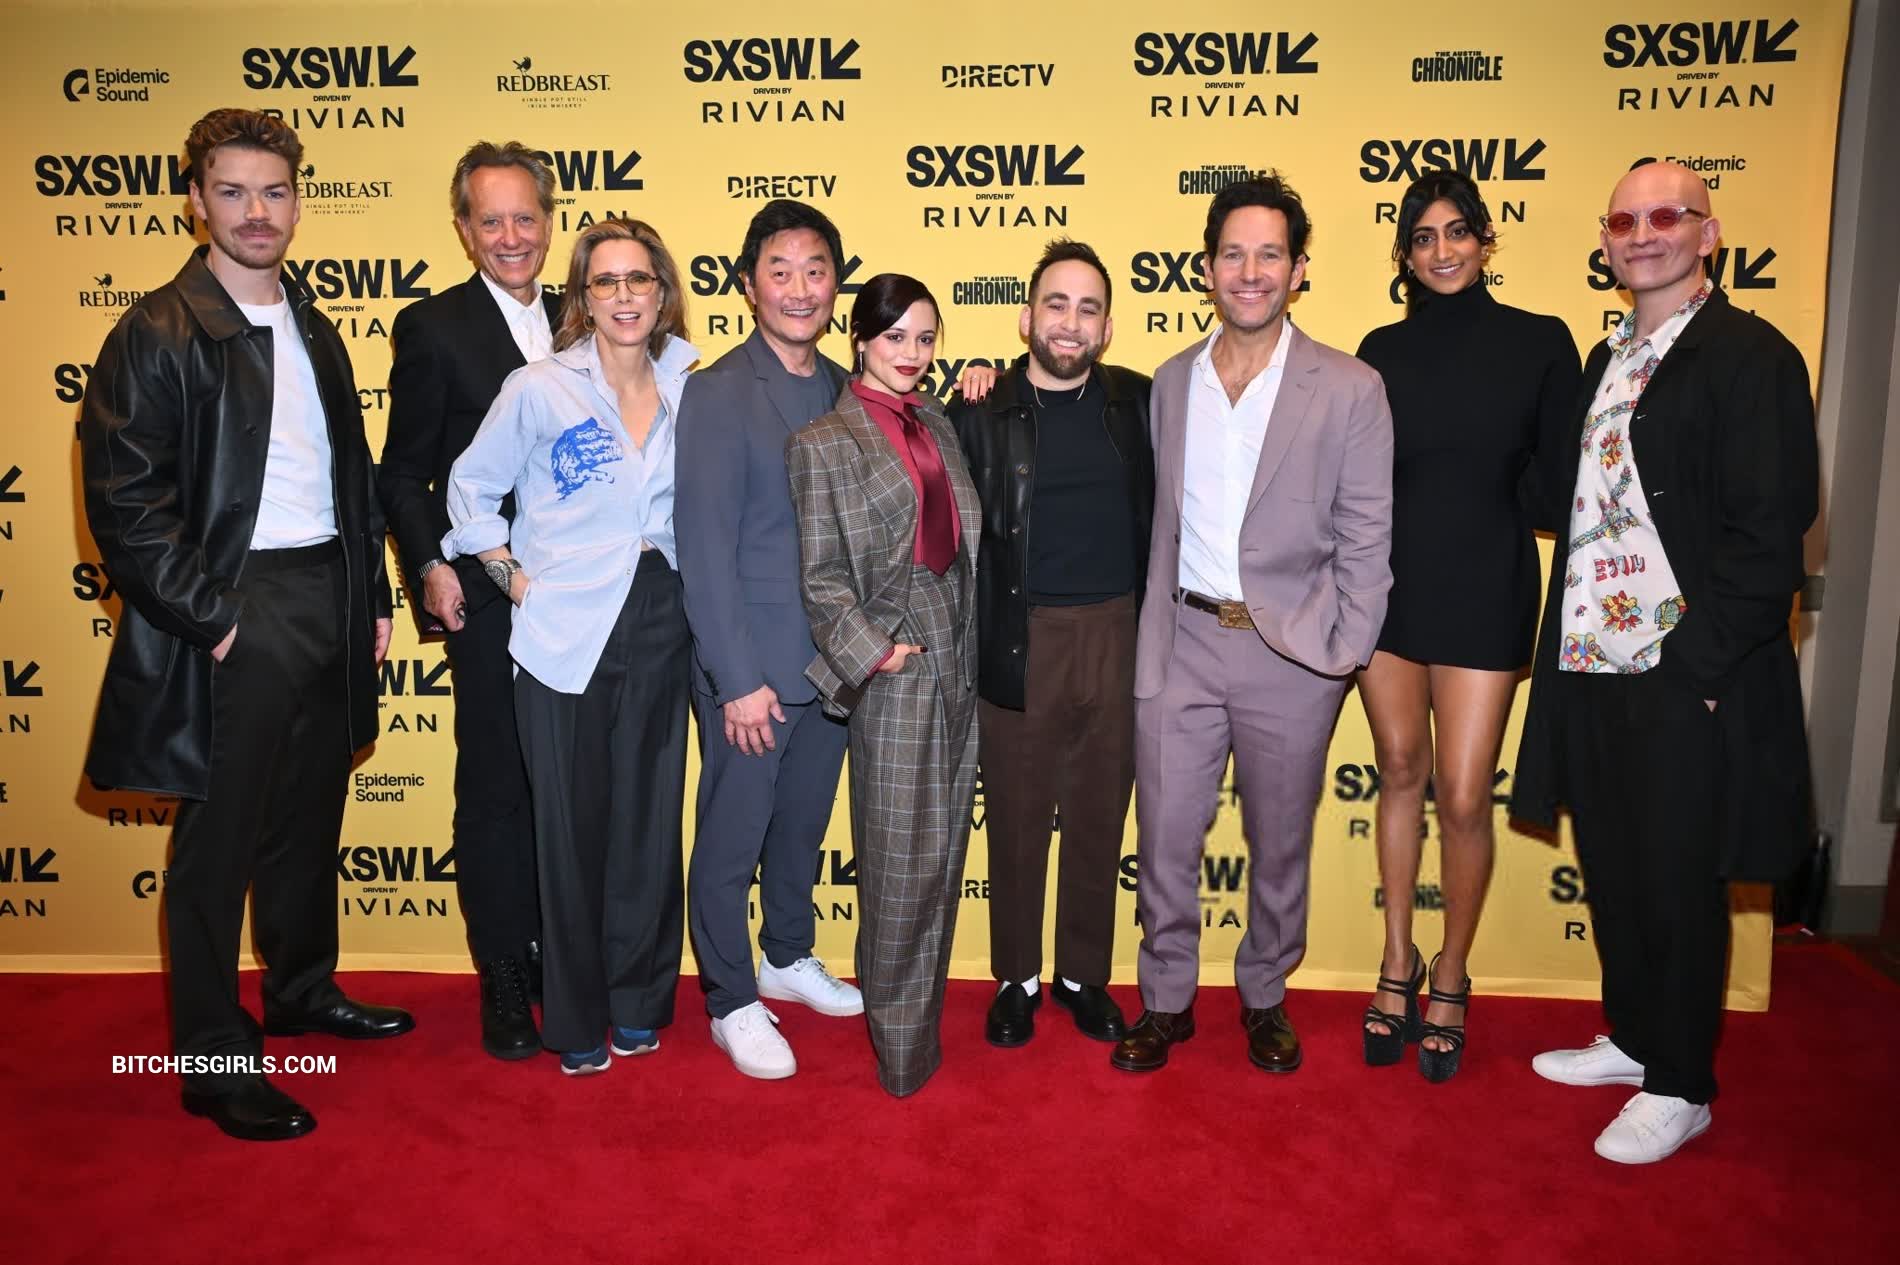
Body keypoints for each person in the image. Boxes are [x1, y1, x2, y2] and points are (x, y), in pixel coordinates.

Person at [79, 108, 408, 1142]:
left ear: (297, 201)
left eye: (274, 191)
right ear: (196, 200)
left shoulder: (312, 322)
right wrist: (214, 619)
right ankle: (214, 1063)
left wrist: (372, 594)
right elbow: (126, 504)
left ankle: (301, 991)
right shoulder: (156, 332)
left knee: (308, 818)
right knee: (216, 848)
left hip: (327, 589)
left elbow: (348, 474)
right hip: (233, 605)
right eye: (232, 191)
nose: (256, 212)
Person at [1512, 161, 1818, 1163]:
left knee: (1680, 875)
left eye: (1665, 215)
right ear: (1605, 241)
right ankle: (1639, 1037)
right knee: (1615, 863)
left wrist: (1696, 662)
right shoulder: (1610, 356)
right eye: (1622, 220)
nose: (1642, 233)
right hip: (1592, 660)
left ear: (1707, 232)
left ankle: (1682, 1082)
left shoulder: (1750, 355)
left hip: (1686, 672)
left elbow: (1769, 535)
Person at [1111, 173, 1394, 1076]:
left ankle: (1265, 993)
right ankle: (1165, 1000)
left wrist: (1341, 650)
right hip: (1181, 645)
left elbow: (1368, 535)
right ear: (1206, 268)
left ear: (1299, 269)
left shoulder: (1349, 387)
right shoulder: (1170, 382)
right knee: (1166, 837)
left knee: (1280, 843)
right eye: (1233, 253)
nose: (1250, 271)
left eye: (1270, 254)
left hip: (1294, 655)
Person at [443, 219, 699, 1076]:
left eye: (639, 279)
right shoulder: (538, 387)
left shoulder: (693, 382)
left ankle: (638, 1001)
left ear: (662, 291)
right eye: (605, 281)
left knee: (647, 824)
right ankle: (577, 1015)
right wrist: (516, 581)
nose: (624, 296)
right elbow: (470, 489)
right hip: (560, 627)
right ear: (581, 297)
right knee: (568, 827)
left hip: (661, 612)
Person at [1352, 171, 1581, 1081]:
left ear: (1486, 240)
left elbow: (1563, 480)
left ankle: (1452, 970)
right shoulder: (1380, 349)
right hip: (1389, 590)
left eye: (1457, 232)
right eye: (1423, 237)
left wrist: (1506, 499)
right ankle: (1397, 960)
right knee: (1399, 769)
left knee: (1460, 792)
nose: (1441, 250)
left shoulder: (1541, 341)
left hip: (1486, 584)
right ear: (1405, 254)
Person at [378, 141, 561, 1061]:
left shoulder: (590, 317)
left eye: (525, 216)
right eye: (491, 220)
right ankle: (504, 971)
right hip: (487, 596)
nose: (510, 236)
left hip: (585, 598)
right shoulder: (434, 326)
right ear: (463, 229)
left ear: (551, 221)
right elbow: (402, 470)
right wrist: (428, 564)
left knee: (568, 784)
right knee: (494, 783)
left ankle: (560, 953)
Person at [947, 239, 1153, 1048]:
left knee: (1100, 814)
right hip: (1018, 636)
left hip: (1119, 632)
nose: (1071, 322)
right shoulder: (978, 409)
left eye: (1088, 308)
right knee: (1018, 817)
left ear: (1107, 327)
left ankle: (1081, 975)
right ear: (1027, 317)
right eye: (1057, 304)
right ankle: (1018, 978)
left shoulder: (1140, 403)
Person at [675, 201, 861, 1081]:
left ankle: (786, 953)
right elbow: (704, 548)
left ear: (836, 284)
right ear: (749, 285)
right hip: (752, 670)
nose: (799, 288)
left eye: (816, 270)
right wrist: (736, 677)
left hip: (830, 667)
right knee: (731, 839)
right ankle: (728, 997)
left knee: (802, 829)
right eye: (779, 271)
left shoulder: (847, 386)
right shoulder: (718, 391)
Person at [786, 274, 981, 1097]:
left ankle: (920, 1024)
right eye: (896, 335)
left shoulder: (937, 420)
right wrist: (877, 655)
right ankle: (901, 1051)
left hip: (960, 652)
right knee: (900, 865)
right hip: (896, 664)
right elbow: (822, 578)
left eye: (926, 338)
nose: (912, 352)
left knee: (942, 856)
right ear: (861, 338)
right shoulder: (822, 441)